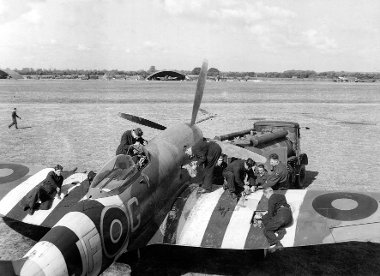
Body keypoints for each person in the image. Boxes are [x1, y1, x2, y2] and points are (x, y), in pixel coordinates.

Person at [257, 187, 293, 251]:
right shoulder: (282, 196)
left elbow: (270, 214)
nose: (266, 197)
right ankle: (280, 230)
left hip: (281, 217)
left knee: (266, 230)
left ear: (267, 193)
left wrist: (262, 217)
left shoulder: (271, 199)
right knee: (273, 223)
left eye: (265, 196)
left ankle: (277, 244)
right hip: (289, 216)